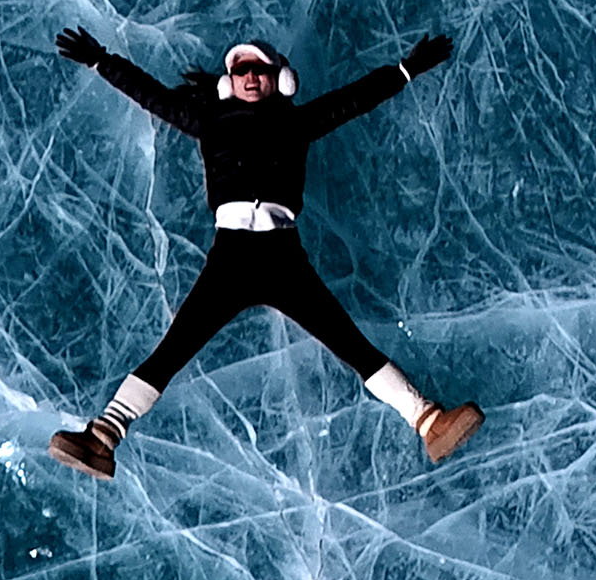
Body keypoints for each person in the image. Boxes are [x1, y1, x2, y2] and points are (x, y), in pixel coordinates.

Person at [45, 27, 481, 478]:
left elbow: (356, 99)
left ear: (280, 79)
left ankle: (429, 421)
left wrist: (407, 69)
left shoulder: (298, 122)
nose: (250, 77)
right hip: (230, 258)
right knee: (172, 350)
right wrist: (101, 60)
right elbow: (151, 95)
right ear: (229, 81)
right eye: (241, 70)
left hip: (282, 257)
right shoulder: (209, 121)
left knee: (350, 344)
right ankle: (102, 438)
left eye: (260, 69)